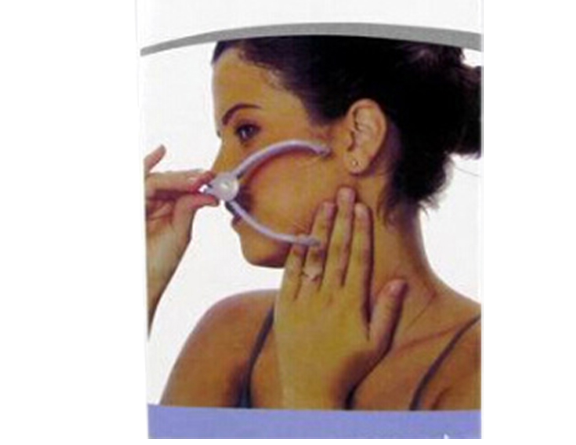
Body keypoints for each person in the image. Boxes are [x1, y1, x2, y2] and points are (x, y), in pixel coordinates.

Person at [144, 36, 481, 410]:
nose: (218, 172)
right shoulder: (229, 337)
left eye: (246, 130)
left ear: (360, 137)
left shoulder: (479, 369)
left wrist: (311, 394)